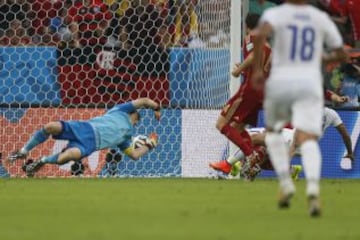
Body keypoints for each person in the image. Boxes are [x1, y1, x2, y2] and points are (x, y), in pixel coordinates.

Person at [251, 0, 348, 217]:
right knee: (308, 139)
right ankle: (313, 191)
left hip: (282, 80)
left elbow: (258, 36)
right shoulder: (319, 18)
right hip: (309, 82)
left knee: (272, 133)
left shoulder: (277, 14)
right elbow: (342, 54)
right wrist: (322, 57)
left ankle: (285, 184)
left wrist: (258, 71)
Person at [7, 97, 161, 177]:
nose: (136, 122)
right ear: (134, 114)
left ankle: (42, 161)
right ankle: (24, 150)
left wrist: (149, 145)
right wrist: (156, 107)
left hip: (90, 145)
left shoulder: (126, 137)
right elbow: (144, 101)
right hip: (84, 128)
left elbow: (134, 155)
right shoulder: (119, 110)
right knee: (50, 127)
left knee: (65, 157)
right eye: (137, 117)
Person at [211, 13, 271, 176]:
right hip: (261, 92)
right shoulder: (269, 46)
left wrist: (239, 69)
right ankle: (250, 159)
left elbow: (254, 55)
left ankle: (250, 156)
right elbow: (264, 69)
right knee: (238, 128)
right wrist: (246, 68)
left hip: (249, 89)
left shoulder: (251, 37)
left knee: (222, 124)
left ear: (246, 25)